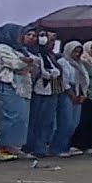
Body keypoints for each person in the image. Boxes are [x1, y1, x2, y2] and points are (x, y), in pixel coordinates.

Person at [0, 24, 38, 161]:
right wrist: (26, 62)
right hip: (8, 85)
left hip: (23, 87)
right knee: (11, 117)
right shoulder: (1, 48)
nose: (20, 37)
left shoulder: (21, 50)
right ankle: (1, 147)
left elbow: (35, 62)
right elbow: (16, 64)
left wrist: (26, 61)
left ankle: (14, 146)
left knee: (22, 119)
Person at [24, 30, 61, 158]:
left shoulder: (49, 55)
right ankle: (28, 147)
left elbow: (55, 69)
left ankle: (40, 148)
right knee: (33, 120)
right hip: (36, 90)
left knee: (46, 122)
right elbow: (35, 68)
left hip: (50, 91)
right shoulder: (29, 52)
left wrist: (53, 72)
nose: (47, 41)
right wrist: (43, 73)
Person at [51, 41, 89, 158]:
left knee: (74, 123)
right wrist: (72, 95)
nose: (77, 54)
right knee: (65, 122)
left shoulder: (80, 64)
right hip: (66, 93)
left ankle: (66, 146)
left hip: (79, 92)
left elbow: (84, 80)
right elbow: (64, 80)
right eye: (75, 51)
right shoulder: (63, 62)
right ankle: (57, 148)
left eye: (79, 52)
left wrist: (83, 94)